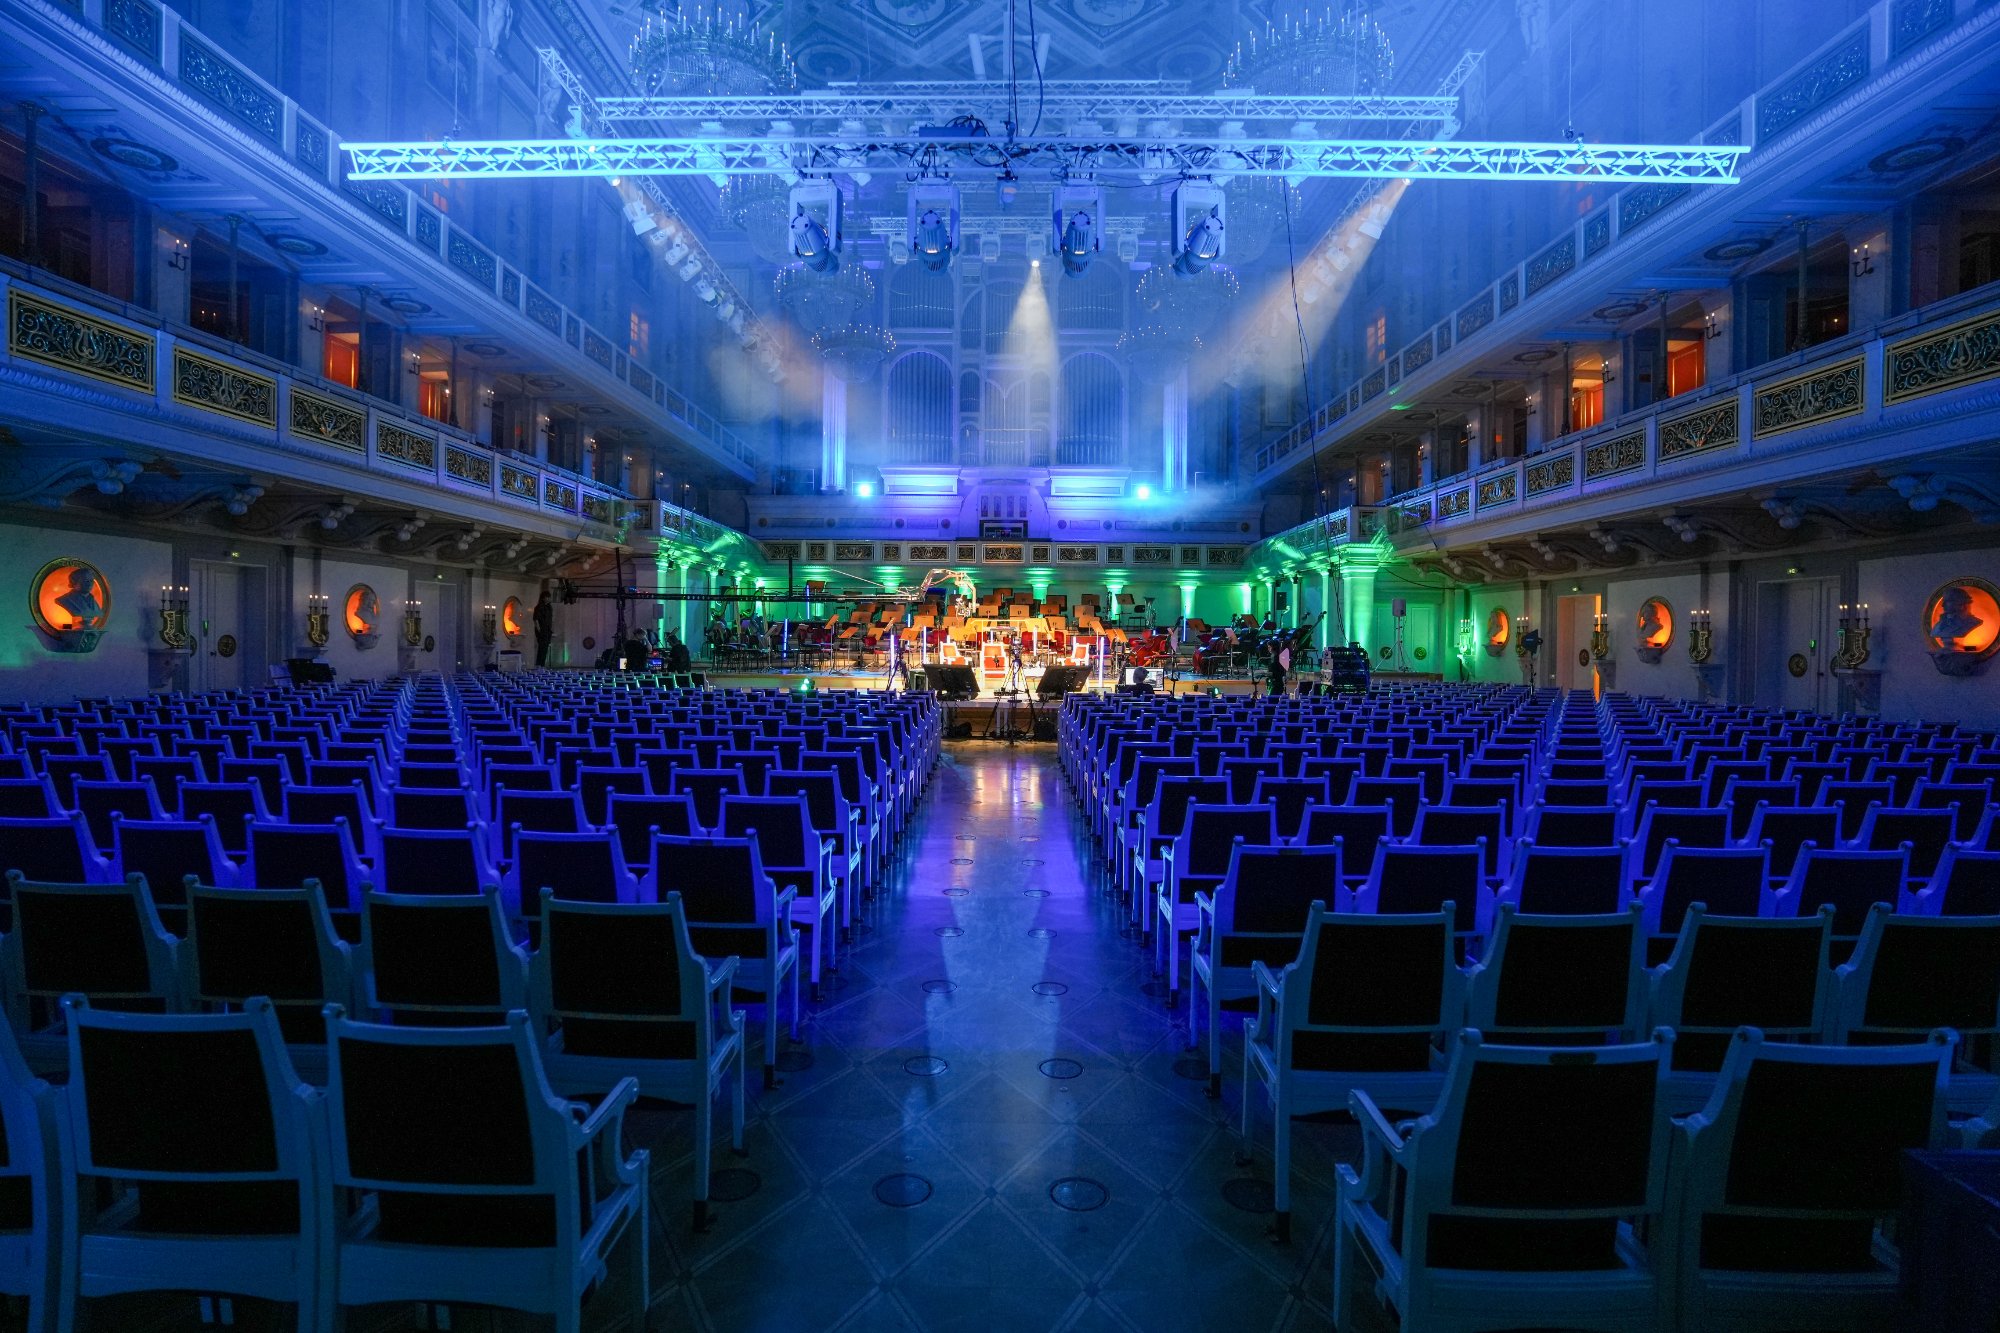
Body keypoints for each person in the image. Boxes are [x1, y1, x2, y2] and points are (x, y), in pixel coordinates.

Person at [532, 589, 553, 667]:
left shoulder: (549, 607)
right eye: (547, 597)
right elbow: (536, 619)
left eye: (549, 597)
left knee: (545, 648)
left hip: (547, 630)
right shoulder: (539, 607)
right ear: (544, 598)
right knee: (541, 648)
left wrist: (551, 629)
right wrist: (539, 630)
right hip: (542, 630)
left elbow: (550, 619)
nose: (549, 598)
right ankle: (539, 665)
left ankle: (542, 665)